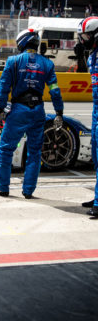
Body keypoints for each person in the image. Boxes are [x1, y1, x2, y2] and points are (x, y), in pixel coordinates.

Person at [0, 29, 64, 198]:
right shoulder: (47, 64)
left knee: (6, 149)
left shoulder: (13, 61)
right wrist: (59, 111)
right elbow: (55, 91)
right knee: (35, 152)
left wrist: (0, 109)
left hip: (19, 110)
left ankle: (2, 187)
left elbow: (4, 88)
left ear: (21, 42)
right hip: (38, 111)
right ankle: (28, 191)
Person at [76, 17, 98, 216]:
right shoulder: (92, 57)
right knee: (96, 158)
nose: (82, 40)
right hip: (96, 110)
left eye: (85, 36)